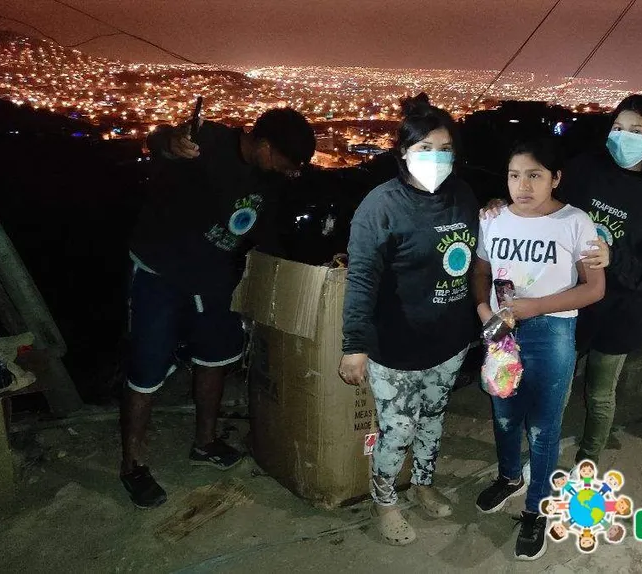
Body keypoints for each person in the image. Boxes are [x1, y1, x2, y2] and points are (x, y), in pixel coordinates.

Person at [120, 108, 314, 509]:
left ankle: (205, 442)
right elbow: (160, 142)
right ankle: (132, 464)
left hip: (214, 277)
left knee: (215, 359)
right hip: (162, 272)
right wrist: (170, 141)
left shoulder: (270, 178)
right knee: (146, 370)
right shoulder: (209, 141)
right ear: (264, 146)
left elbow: (268, 232)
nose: (291, 172)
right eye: (287, 163)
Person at [339, 94, 478, 546]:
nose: (436, 158)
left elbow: (477, 254)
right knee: (397, 429)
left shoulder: (462, 194)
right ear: (403, 152)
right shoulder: (381, 206)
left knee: (434, 418)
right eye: (424, 148)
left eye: (445, 149)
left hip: (449, 339)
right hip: (396, 344)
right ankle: (384, 502)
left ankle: (422, 482)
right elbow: (361, 278)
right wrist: (354, 345)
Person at [472, 138, 606, 561]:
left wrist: (536, 307)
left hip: (552, 330)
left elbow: (594, 288)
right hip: (501, 329)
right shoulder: (493, 218)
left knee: (544, 427)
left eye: (535, 175)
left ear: (555, 178)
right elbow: (481, 272)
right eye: (515, 175)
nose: (523, 185)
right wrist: (485, 313)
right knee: (504, 413)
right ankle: (510, 476)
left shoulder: (574, 221)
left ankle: (536, 510)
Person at [556, 95, 642, 464]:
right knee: (558, 385)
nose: (624, 136)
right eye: (618, 127)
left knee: (600, 392)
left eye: (636, 131)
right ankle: (544, 447)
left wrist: (615, 258)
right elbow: (548, 207)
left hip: (620, 309)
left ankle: (589, 457)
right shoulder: (585, 169)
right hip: (570, 301)